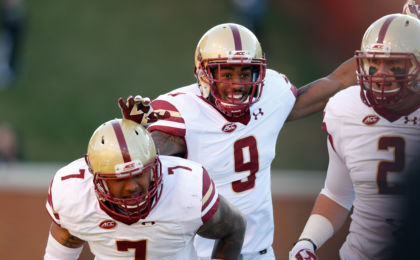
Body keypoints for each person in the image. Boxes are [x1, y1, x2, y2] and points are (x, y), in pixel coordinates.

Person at [118, 22, 356, 259]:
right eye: (227, 74)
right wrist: (136, 139)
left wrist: (382, 53)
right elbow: (141, 169)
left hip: (260, 253)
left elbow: (335, 83)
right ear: (204, 74)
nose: (237, 84)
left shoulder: (272, 94)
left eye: (245, 73)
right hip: (200, 254)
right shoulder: (181, 112)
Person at [288, 14, 420, 260]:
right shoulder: (346, 108)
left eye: (394, 65)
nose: (381, 74)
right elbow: (338, 193)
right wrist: (307, 242)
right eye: (374, 62)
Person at [44, 119, 246, 260]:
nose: (132, 186)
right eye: (120, 179)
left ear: (156, 165)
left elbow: (234, 227)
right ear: (98, 180)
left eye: (139, 174)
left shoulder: (187, 190)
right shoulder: (74, 196)